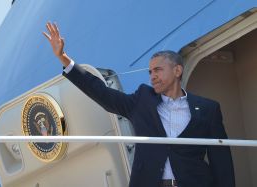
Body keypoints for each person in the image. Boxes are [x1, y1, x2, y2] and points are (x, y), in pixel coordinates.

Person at [43, 22, 235, 187]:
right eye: (150, 72)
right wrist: (64, 58)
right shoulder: (142, 101)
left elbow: (222, 163)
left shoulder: (208, 109)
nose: (153, 76)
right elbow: (102, 93)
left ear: (177, 70)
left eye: (158, 70)